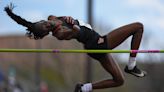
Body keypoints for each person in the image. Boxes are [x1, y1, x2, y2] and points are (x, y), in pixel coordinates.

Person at [4, 3, 146, 92]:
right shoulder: (59, 34)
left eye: (45, 23)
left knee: (119, 81)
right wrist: (73, 24)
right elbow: (76, 31)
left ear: (42, 20)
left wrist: (67, 19)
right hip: (97, 43)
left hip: (94, 46)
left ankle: (84, 88)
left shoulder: (52, 18)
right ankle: (131, 66)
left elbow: (55, 18)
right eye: (46, 28)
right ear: (47, 33)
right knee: (138, 27)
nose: (48, 25)